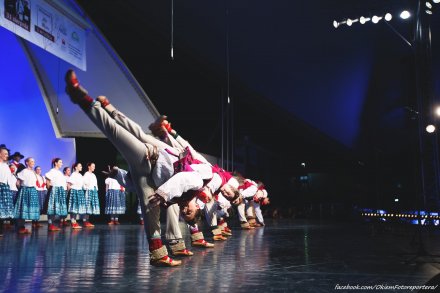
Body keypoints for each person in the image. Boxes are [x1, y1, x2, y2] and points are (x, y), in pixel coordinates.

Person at [65, 69, 181, 266]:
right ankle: (86, 99)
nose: (187, 212)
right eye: (190, 212)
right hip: (154, 157)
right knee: (123, 132)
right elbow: (185, 160)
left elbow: (131, 185)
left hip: (146, 176)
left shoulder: (178, 199)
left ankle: (159, 255)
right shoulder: (198, 181)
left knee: (150, 209)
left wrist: (118, 173)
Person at [14, 157, 40, 234]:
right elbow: (18, 183)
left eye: (34, 161)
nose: (33, 163)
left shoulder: (33, 172)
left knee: (30, 209)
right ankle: (21, 227)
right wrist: (21, 190)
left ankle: (33, 224)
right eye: (31, 161)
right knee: (23, 209)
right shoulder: (24, 171)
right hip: (25, 190)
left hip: (32, 190)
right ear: (27, 163)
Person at [45, 158, 67, 232]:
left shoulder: (60, 173)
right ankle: (50, 224)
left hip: (59, 191)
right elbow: (47, 181)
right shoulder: (52, 171)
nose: (62, 164)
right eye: (60, 162)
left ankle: (52, 224)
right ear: (55, 163)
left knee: (55, 209)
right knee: (52, 208)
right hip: (54, 190)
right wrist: (50, 190)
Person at [67, 162, 86, 229]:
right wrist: (68, 193)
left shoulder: (80, 175)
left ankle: (74, 222)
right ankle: (73, 222)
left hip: (79, 191)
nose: (81, 167)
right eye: (80, 166)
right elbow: (69, 184)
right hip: (74, 191)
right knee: (73, 208)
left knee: (77, 208)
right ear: (76, 167)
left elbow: (83, 185)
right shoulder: (73, 174)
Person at [0, 144, 14, 237]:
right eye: (5, 153)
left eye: (7, 154)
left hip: (5, 188)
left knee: (2, 211)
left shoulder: (6, 166)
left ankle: (0, 230)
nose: (7, 155)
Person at [83, 162, 100, 227]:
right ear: (89, 167)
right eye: (93, 166)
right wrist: (87, 188)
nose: (94, 167)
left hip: (93, 191)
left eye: (94, 166)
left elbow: (95, 184)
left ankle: (87, 220)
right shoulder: (86, 174)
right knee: (87, 205)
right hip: (89, 191)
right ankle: (85, 221)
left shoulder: (93, 175)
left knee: (90, 206)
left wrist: (95, 190)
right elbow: (84, 183)